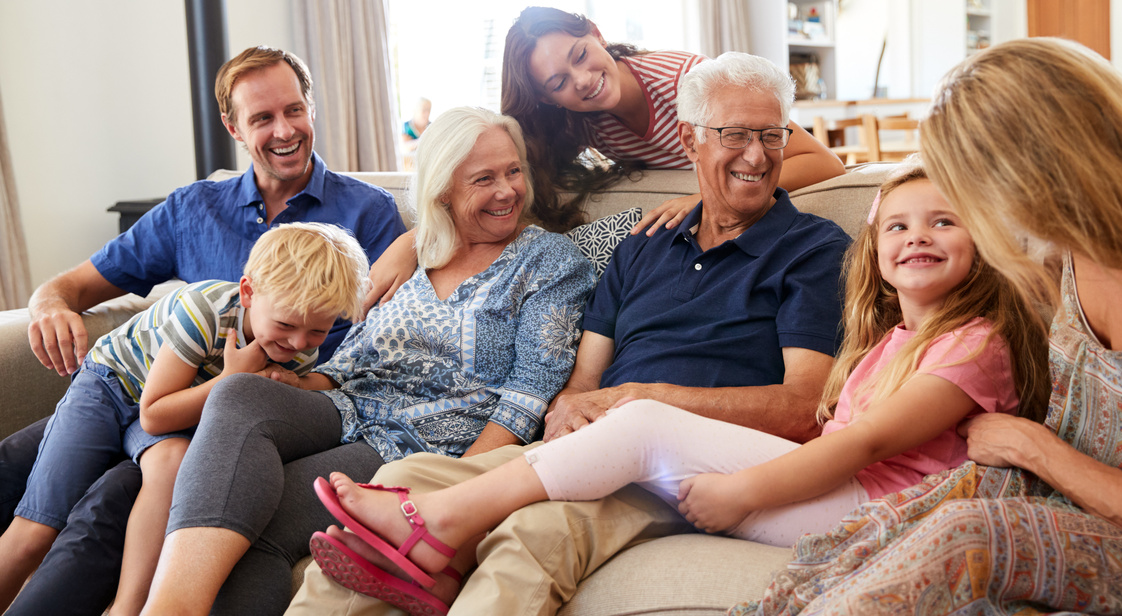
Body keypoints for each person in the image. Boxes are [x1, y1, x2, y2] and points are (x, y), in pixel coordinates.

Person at [306, 163, 1052, 613]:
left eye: (943, 222)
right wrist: (416, 238)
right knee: (402, 474)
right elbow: (566, 299)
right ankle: (425, 521)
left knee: (638, 432)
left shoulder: (966, 340)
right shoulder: (648, 240)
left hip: (864, 505)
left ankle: (436, 524)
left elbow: (853, 440)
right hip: (764, 470)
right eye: (896, 227)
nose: (915, 237)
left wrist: (744, 490)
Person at [285, 52, 852, 616]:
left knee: (535, 529)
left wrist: (641, 399)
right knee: (400, 482)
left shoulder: (812, 249)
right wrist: (568, 416)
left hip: (687, 467)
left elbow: (804, 407)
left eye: (771, 135)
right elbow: (582, 379)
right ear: (689, 140)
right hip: (597, 446)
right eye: (734, 134)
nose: (756, 154)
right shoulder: (646, 243)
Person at [731, 38, 1122, 616]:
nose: (981, 212)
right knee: (879, 530)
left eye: (975, 187)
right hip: (1052, 497)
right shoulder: (1064, 255)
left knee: (961, 534)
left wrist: (1036, 448)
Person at [139, 107, 596, 616]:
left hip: (422, 440)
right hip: (348, 404)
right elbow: (353, 357)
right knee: (237, 391)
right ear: (442, 188)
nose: (508, 190)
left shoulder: (551, 263)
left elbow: (530, 391)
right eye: (484, 178)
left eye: (513, 171)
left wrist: (462, 487)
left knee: (263, 524)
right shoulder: (420, 250)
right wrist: (288, 384)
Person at [0, 45, 403, 616]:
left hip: (224, 420)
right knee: (18, 460)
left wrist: (419, 240)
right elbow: (75, 287)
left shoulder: (368, 214)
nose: (284, 130)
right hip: (141, 385)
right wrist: (50, 304)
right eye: (262, 117)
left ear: (312, 108)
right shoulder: (194, 208)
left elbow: (386, 343)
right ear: (233, 125)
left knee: (115, 491)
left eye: (294, 110)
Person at [362, 8, 846, 309]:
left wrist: (699, 196)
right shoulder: (581, 119)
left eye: (579, 54)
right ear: (550, 100)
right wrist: (417, 240)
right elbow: (489, 181)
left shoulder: (685, 81)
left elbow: (823, 162)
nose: (582, 80)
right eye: (558, 83)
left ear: (595, 32)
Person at [0, 223, 369, 616]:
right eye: (285, 325)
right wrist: (233, 380)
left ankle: (129, 607)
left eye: (318, 331)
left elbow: (280, 386)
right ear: (248, 292)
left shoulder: (295, 349)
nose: (298, 343)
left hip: (178, 407)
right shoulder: (204, 310)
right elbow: (154, 413)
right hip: (114, 386)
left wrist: (296, 382)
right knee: (37, 530)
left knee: (172, 464)